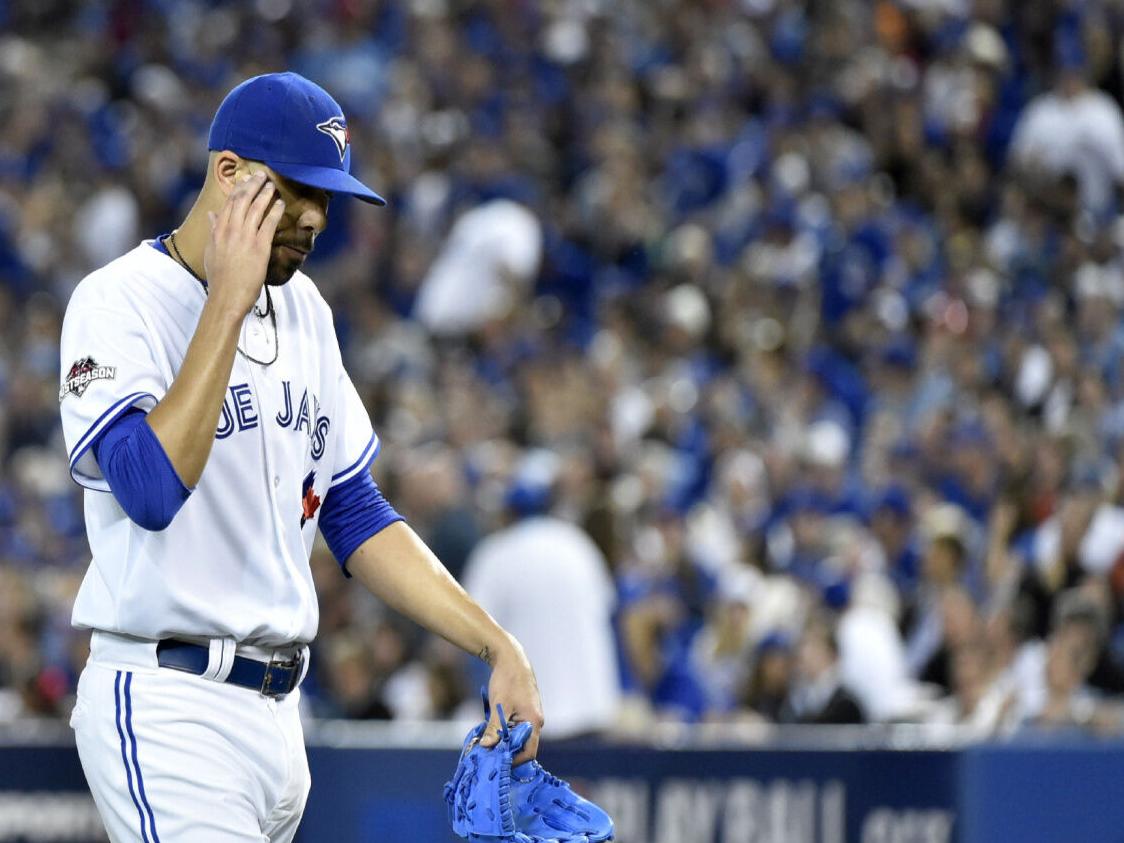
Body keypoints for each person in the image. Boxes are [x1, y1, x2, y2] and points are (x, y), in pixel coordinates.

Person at [58, 72, 543, 842]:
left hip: (282, 718)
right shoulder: (119, 301)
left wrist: (494, 641)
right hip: (169, 701)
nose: (317, 216)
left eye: (328, 197)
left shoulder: (307, 310)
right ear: (228, 173)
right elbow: (150, 488)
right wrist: (227, 299)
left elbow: (355, 513)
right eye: (295, 191)